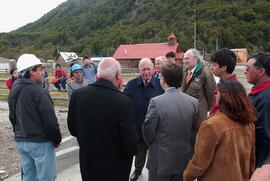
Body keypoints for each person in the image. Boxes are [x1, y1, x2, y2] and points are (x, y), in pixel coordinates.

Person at [67, 57, 138, 181]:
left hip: (88, 164)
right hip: (115, 169)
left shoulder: (78, 95)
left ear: (98, 74)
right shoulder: (123, 102)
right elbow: (131, 146)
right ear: (117, 76)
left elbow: (72, 129)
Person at [184, 79, 256, 181]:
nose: (214, 96)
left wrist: (187, 176)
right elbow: (251, 159)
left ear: (225, 97)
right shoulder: (249, 123)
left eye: (216, 93)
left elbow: (200, 162)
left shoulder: (212, 125)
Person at [8, 54, 62, 181]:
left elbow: (12, 117)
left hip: (22, 141)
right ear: (31, 71)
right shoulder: (39, 92)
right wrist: (57, 140)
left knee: (29, 177)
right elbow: (50, 122)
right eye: (41, 69)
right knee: (46, 177)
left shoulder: (14, 89)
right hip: (40, 143)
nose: (43, 72)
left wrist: (19, 133)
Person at [143, 64, 198, 181]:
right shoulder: (193, 102)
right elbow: (194, 131)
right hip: (184, 159)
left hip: (160, 161)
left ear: (164, 80)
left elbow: (148, 130)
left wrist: (153, 144)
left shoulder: (156, 102)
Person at [124, 57, 164, 181]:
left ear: (153, 70)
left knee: (156, 153)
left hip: (156, 127)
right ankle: (137, 170)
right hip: (138, 126)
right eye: (143, 69)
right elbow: (124, 104)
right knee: (140, 152)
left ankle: (157, 173)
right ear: (139, 70)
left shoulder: (160, 84)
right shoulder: (131, 85)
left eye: (148, 69)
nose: (146, 72)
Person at [245, 53, 270, 180]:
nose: (245, 72)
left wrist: (259, 169)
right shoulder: (258, 92)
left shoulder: (266, 98)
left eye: (248, 68)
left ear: (261, 71)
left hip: (260, 161)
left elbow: (264, 137)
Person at [182, 48, 216, 129]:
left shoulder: (205, 73)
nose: (185, 61)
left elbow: (211, 94)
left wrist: (205, 111)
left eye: (187, 58)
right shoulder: (184, 72)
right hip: (186, 114)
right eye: (184, 59)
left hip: (199, 117)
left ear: (196, 59)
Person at [209, 48, 237, 116]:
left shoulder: (230, 89)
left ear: (224, 68)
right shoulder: (224, 84)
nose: (211, 68)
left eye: (214, 65)